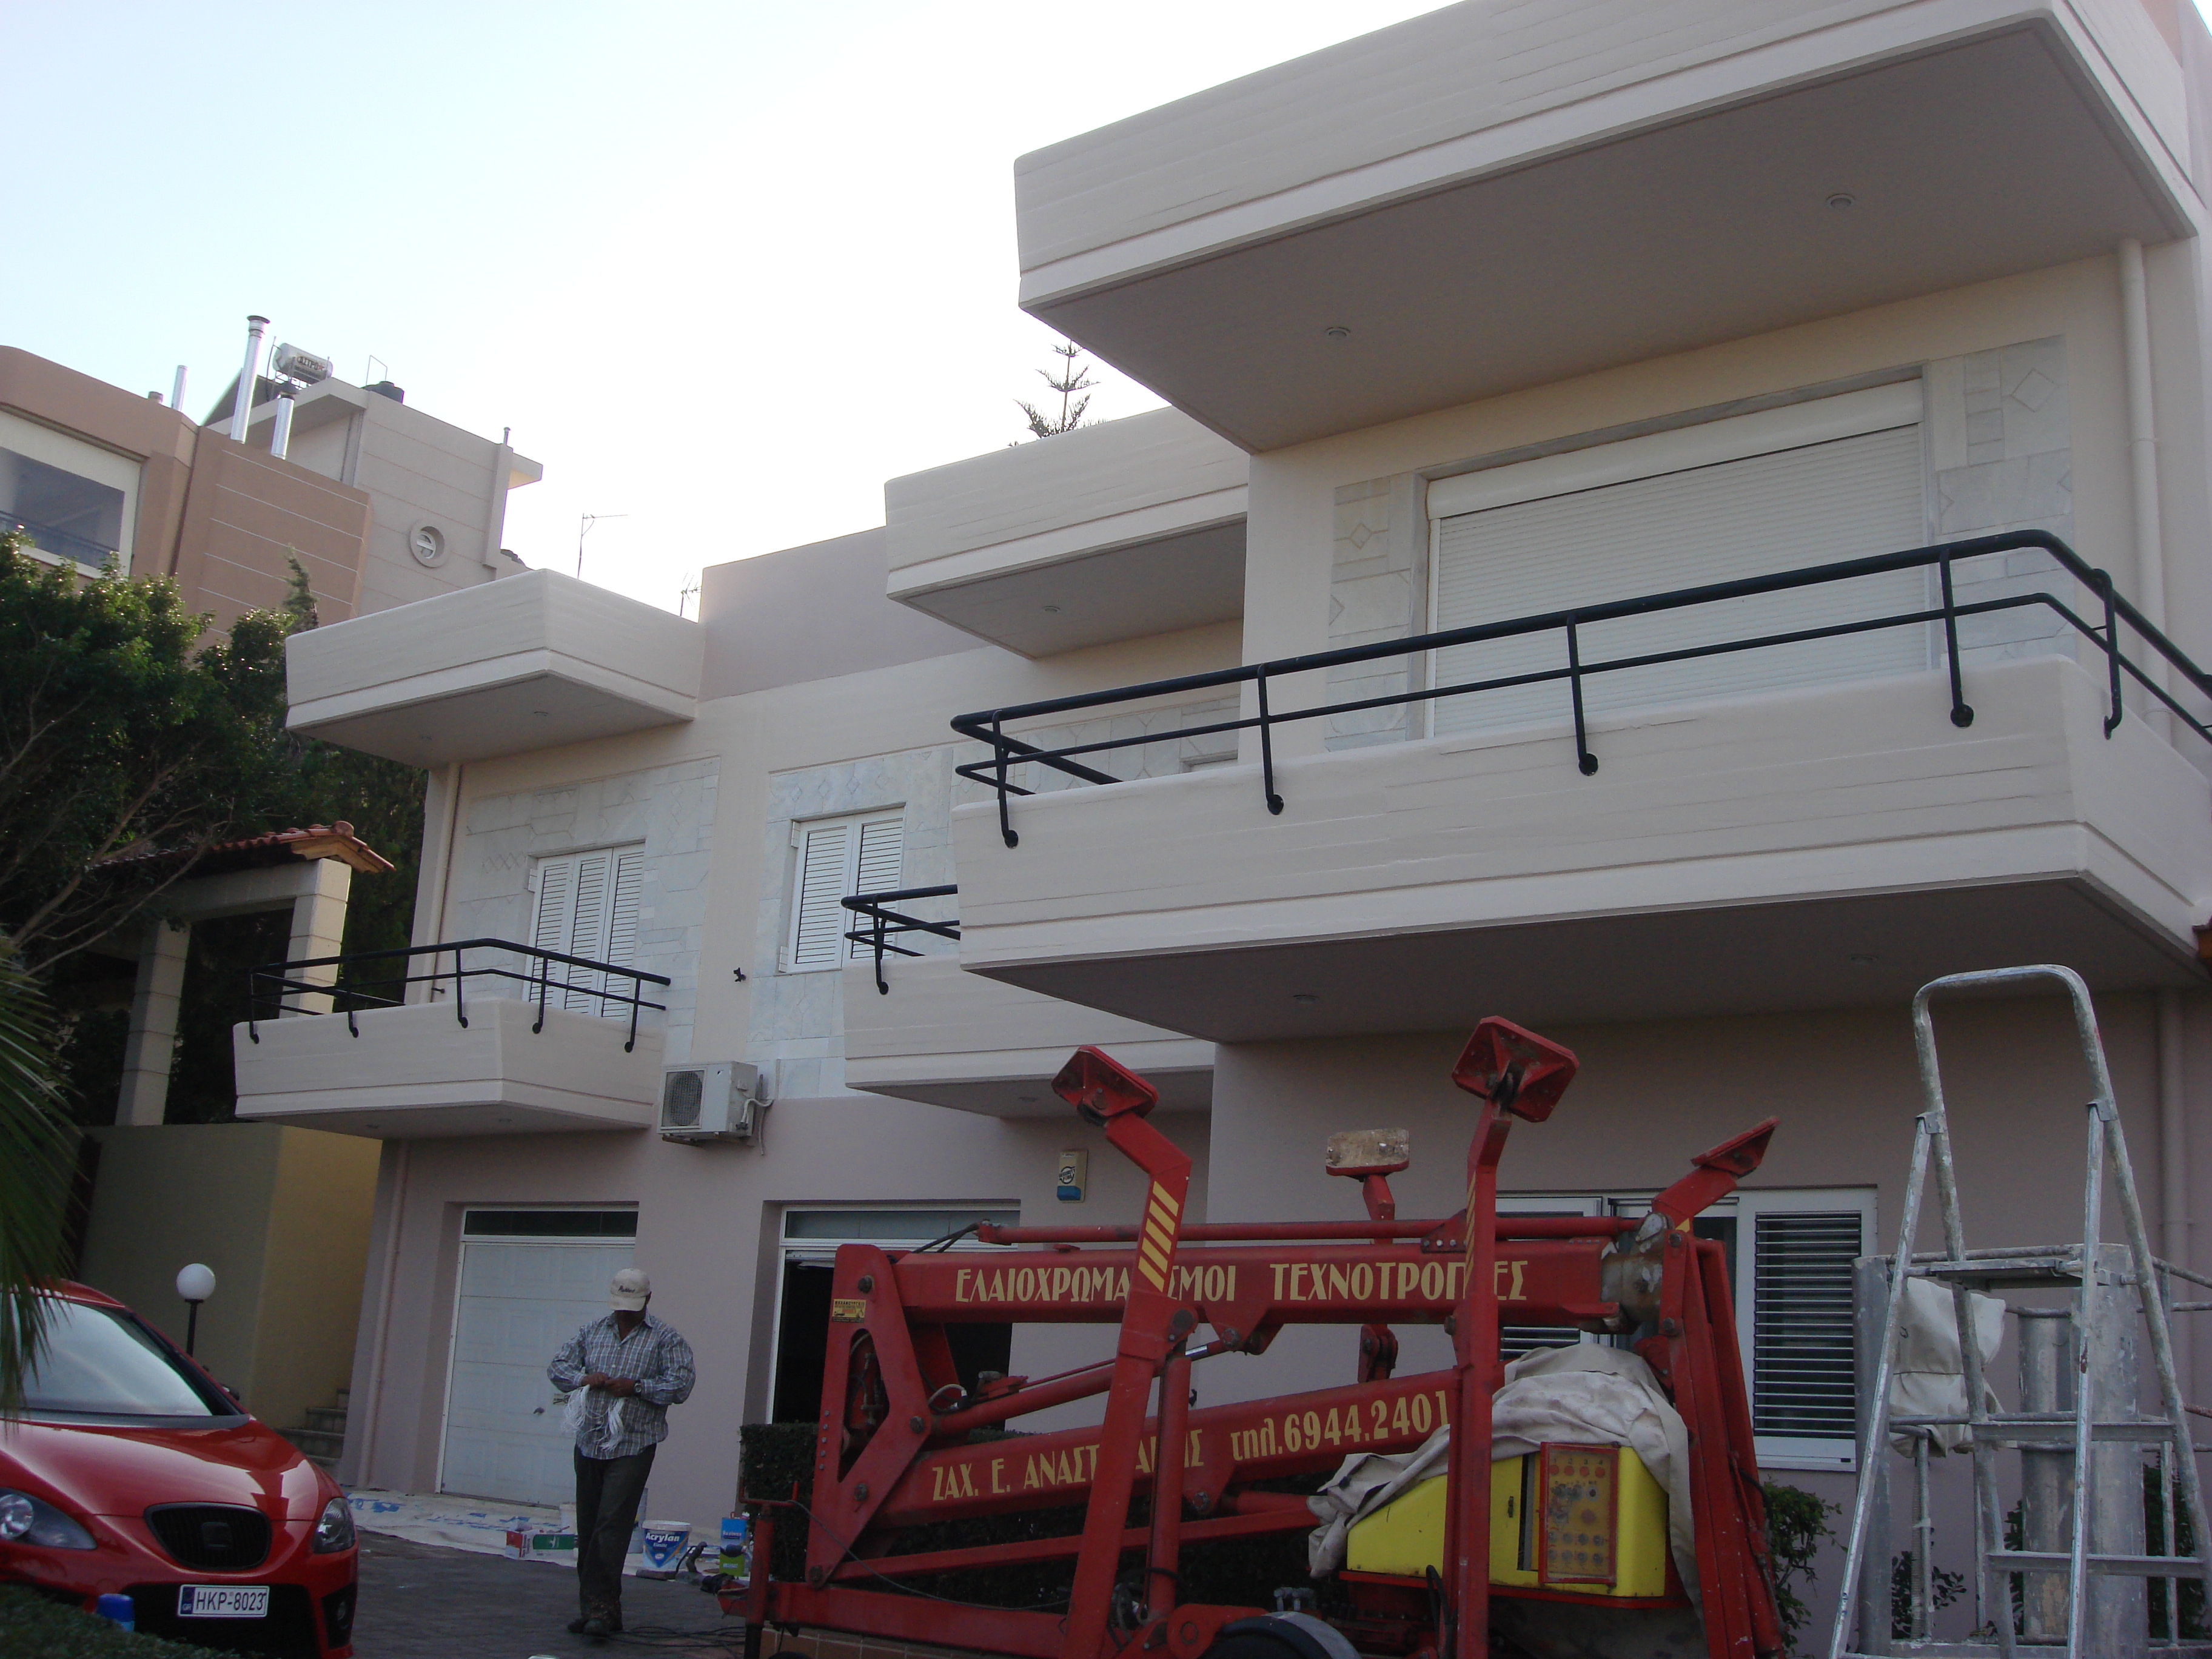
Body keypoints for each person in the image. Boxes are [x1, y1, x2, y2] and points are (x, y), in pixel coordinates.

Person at [547, 1267, 695, 1638]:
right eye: (620, 1307)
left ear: (648, 1300)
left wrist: (638, 1387)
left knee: (611, 1525)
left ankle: (600, 1610)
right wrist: (584, 1378)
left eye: (632, 1306)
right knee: (589, 1525)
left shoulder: (666, 1339)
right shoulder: (592, 1331)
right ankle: (597, 1610)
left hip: (633, 1443)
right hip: (590, 1440)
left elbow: (681, 1385)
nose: (624, 1314)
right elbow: (558, 1367)